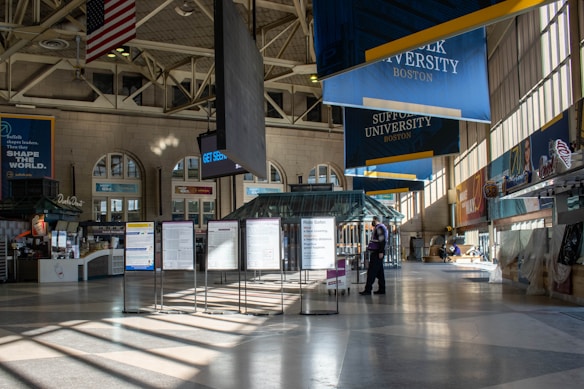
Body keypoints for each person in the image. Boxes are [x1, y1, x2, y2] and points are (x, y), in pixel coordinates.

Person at [360, 216, 388, 295]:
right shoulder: (380, 227)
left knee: (371, 272)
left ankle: (368, 289)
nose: (372, 221)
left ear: (376, 220)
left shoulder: (379, 228)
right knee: (380, 272)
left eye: (373, 220)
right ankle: (382, 289)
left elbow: (382, 240)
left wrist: (381, 252)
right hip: (377, 252)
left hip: (377, 253)